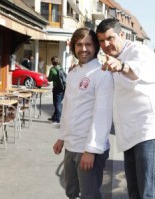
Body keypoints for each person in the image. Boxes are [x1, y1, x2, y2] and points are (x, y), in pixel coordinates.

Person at [96, 18, 155, 199]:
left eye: (110, 38)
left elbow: (138, 70)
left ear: (122, 35)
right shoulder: (111, 59)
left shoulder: (140, 51)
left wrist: (123, 66)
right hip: (131, 136)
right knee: (135, 193)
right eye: (101, 41)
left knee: (150, 194)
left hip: (150, 132)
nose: (106, 44)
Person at [53, 27, 113, 199]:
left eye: (88, 44)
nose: (83, 49)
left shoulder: (102, 74)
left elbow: (102, 115)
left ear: (95, 47)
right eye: (79, 44)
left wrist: (91, 150)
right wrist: (61, 137)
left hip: (88, 149)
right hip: (71, 145)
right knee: (71, 191)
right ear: (73, 47)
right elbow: (68, 107)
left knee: (89, 195)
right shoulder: (73, 73)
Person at [47, 56, 65, 124]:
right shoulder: (61, 68)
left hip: (57, 88)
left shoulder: (52, 69)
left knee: (57, 104)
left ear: (52, 62)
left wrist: (48, 78)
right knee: (58, 103)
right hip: (63, 88)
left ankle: (58, 119)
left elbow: (49, 79)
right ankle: (54, 116)